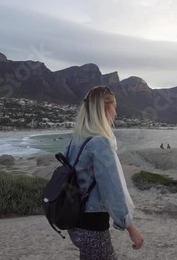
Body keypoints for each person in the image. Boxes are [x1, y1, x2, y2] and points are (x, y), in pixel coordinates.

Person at [65, 86, 144, 259]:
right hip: (92, 226)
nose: (116, 113)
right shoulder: (100, 144)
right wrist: (131, 228)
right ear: (103, 109)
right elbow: (112, 191)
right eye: (114, 107)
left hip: (73, 222)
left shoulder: (76, 140)